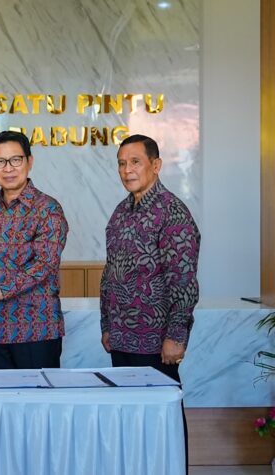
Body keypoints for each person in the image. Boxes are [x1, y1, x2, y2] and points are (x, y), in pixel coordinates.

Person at [100, 134, 199, 471]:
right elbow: (109, 273)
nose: (127, 170)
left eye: (135, 162)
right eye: (121, 163)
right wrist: (106, 325)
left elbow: (183, 281)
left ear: (156, 165)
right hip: (122, 340)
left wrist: (177, 336)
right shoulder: (121, 212)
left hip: (157, 343)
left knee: (162, 423)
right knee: (130, 423)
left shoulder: (173, 212)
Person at [0, 131, 69, 369]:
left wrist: (0, 290)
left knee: (38, 393)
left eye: (16, 160)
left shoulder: (48, 209)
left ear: (29, 161)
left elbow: (44, 264)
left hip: (36, 327)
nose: (8, 168)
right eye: (0, 161)